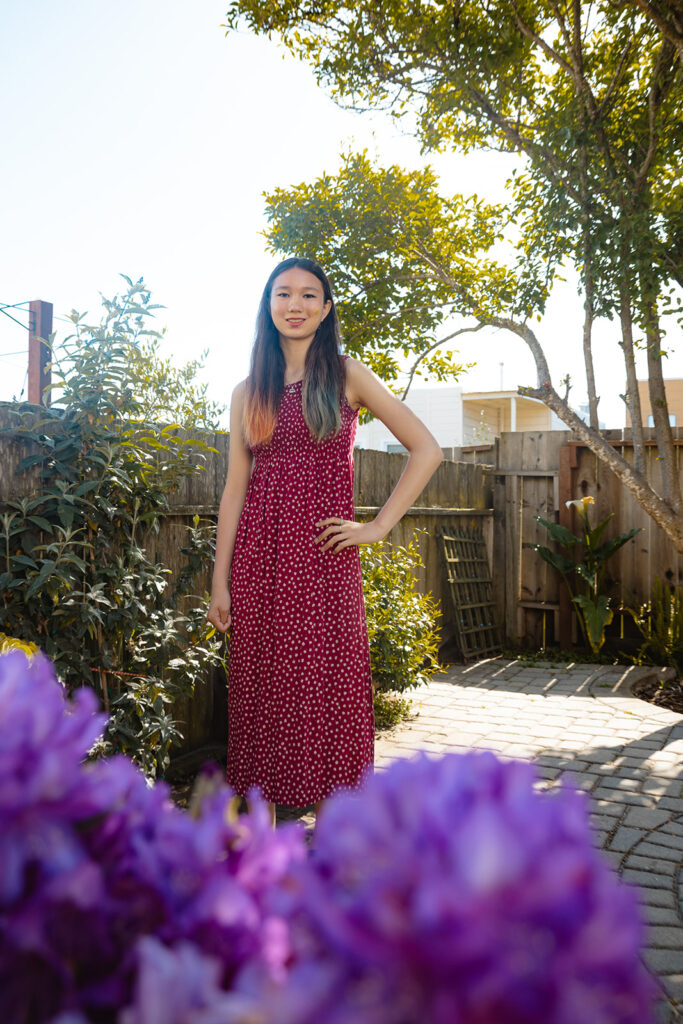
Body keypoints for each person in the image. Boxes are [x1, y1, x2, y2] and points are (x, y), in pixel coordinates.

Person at [207, 256, 442, 828]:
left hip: (322, 557)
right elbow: (235, 490)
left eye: (309, 295)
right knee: (265, 685)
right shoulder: (247, 392)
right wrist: (220, 580)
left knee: (328, 678)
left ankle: (338, 814)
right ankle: (275, 814)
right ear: (268, 305)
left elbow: (427, 449)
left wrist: (376, 527)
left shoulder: (346, 375)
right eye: (284, 294)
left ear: (325, 308)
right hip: (259, 560)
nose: (296, 304)